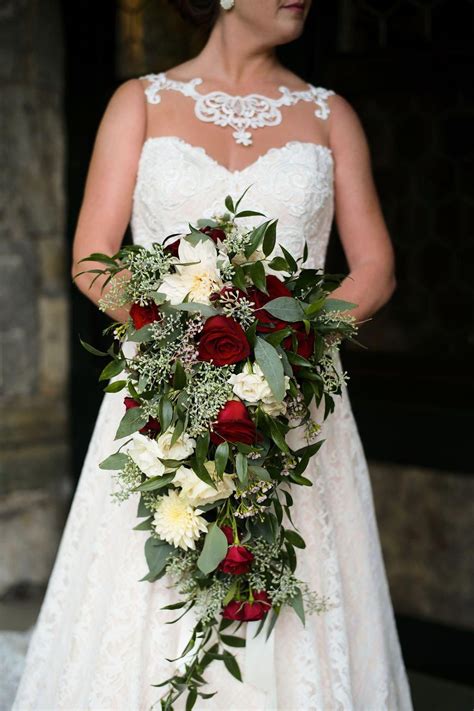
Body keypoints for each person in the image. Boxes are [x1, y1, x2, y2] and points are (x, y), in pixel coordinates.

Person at [13, 0, 413, 709]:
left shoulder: (329, 114)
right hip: (164, 394)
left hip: (296, 400)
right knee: (156, 580)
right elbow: (92, 260)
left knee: (295, 594)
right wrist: (182, 343)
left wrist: (288, 342)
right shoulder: (140, 102)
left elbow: (375, 267)